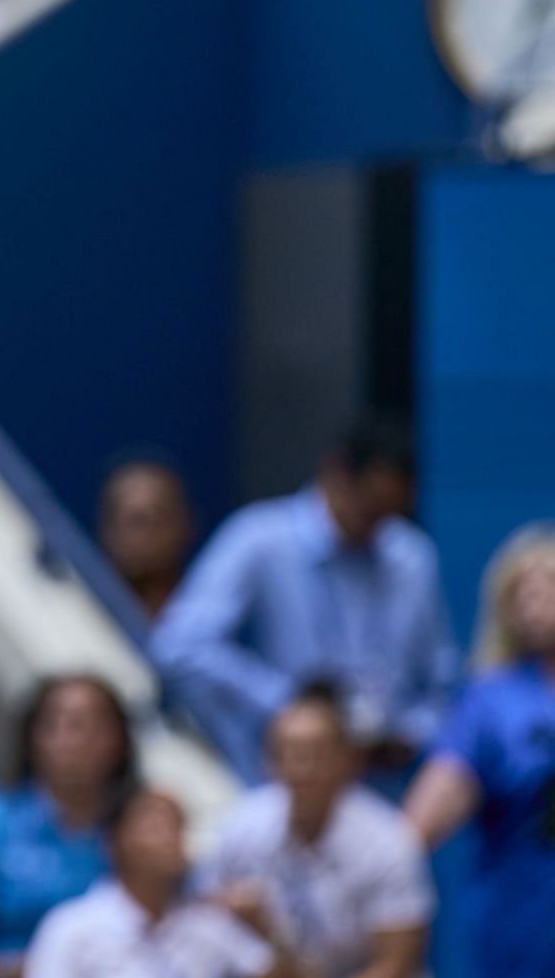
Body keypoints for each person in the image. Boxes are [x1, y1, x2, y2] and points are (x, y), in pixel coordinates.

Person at [152, 418, 458, 783]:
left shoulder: (410, 555)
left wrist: (412, 731)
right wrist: (288, 703)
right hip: (282, 778)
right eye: (371, 507)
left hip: (382, 783)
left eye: (391, 513)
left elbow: (445, 682)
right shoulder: (259, 538)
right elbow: (178, 644)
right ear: (336, 473)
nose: (377, 526)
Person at [404, 522, 555, 978]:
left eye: (548, 584)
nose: (536, 602)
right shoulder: (490, 701)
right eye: (520, 592)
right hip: (525, 924)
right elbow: (420, 823)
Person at [202, 683, 432, 978]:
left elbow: (395, 965)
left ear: (348, 760)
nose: (301, 769)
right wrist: (266, 934)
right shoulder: (242, 827)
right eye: (287, 753)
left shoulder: (387, 840)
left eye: (315, 754)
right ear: (268, 762)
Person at [0, 675, 136, 975]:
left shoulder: (139, 826)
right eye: (54, 725)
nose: (71, 741)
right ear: (32, 738)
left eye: (87, 726)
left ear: (119, 740)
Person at [24, 787, 290, 978]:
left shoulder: (208, 924)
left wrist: (266, 928)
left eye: (177, 826)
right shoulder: (71, 928)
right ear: (115, 842)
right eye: (155, 826)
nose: (170, 838)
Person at [95, 457, 195, 621]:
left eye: (159, 518)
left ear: (185, 525)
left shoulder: (216, 619)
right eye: (135, 521)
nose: (145, 534)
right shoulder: (79, 621)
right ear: (107, 530)